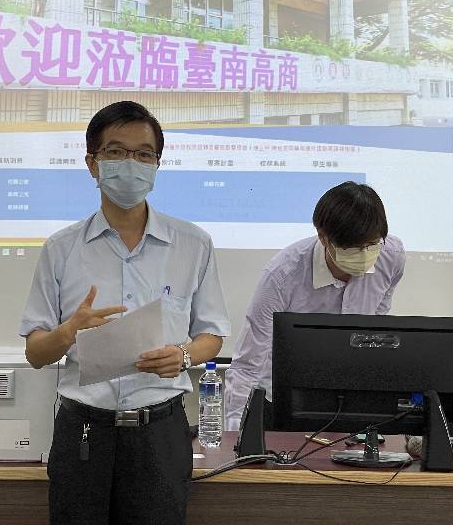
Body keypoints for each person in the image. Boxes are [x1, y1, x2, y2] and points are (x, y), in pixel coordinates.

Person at [20, 101, 230, 525]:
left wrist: (183, 356)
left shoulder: (193, 244)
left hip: (160, 431)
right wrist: (68, 331)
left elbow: (211, 335)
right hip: (84, 430)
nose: (131, 164)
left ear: (156, 166)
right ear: (92, 163)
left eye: (144, 154)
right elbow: (35, 353)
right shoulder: (62, 249)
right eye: (115, 152)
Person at [224, 181, 405, 431]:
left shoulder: (391, 256)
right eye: (353, 248)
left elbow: (376, 321)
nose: (365, 255)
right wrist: (235, 432)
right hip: (282, 398)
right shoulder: (281, 276)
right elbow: (248, 365)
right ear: (324, 238)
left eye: (371, 245)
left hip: (347, 395)